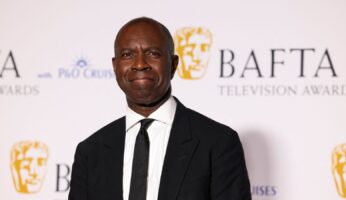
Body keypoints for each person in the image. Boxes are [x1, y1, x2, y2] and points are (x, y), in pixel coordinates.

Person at [68, 17, 251, 200]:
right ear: (115, 67)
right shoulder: (90, 152)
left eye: (153, 53)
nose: (140, 64)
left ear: (173, 65)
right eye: (127, 55)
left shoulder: (218, 142)